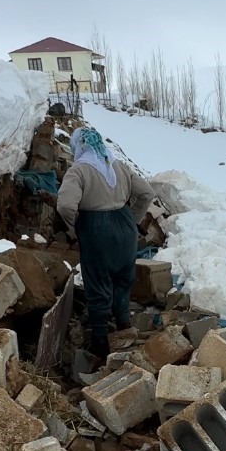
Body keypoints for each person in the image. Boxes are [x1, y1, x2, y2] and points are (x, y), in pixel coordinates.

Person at [57, 127, 156, 361]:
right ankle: (123, 328)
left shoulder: (79, 170)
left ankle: (100, 343)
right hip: (125, 226)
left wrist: (76, 228)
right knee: (123, 278)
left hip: (97, 229)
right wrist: (132, 221)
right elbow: (147, 193)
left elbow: (65, 206)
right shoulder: (119, 166)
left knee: (99, 282)